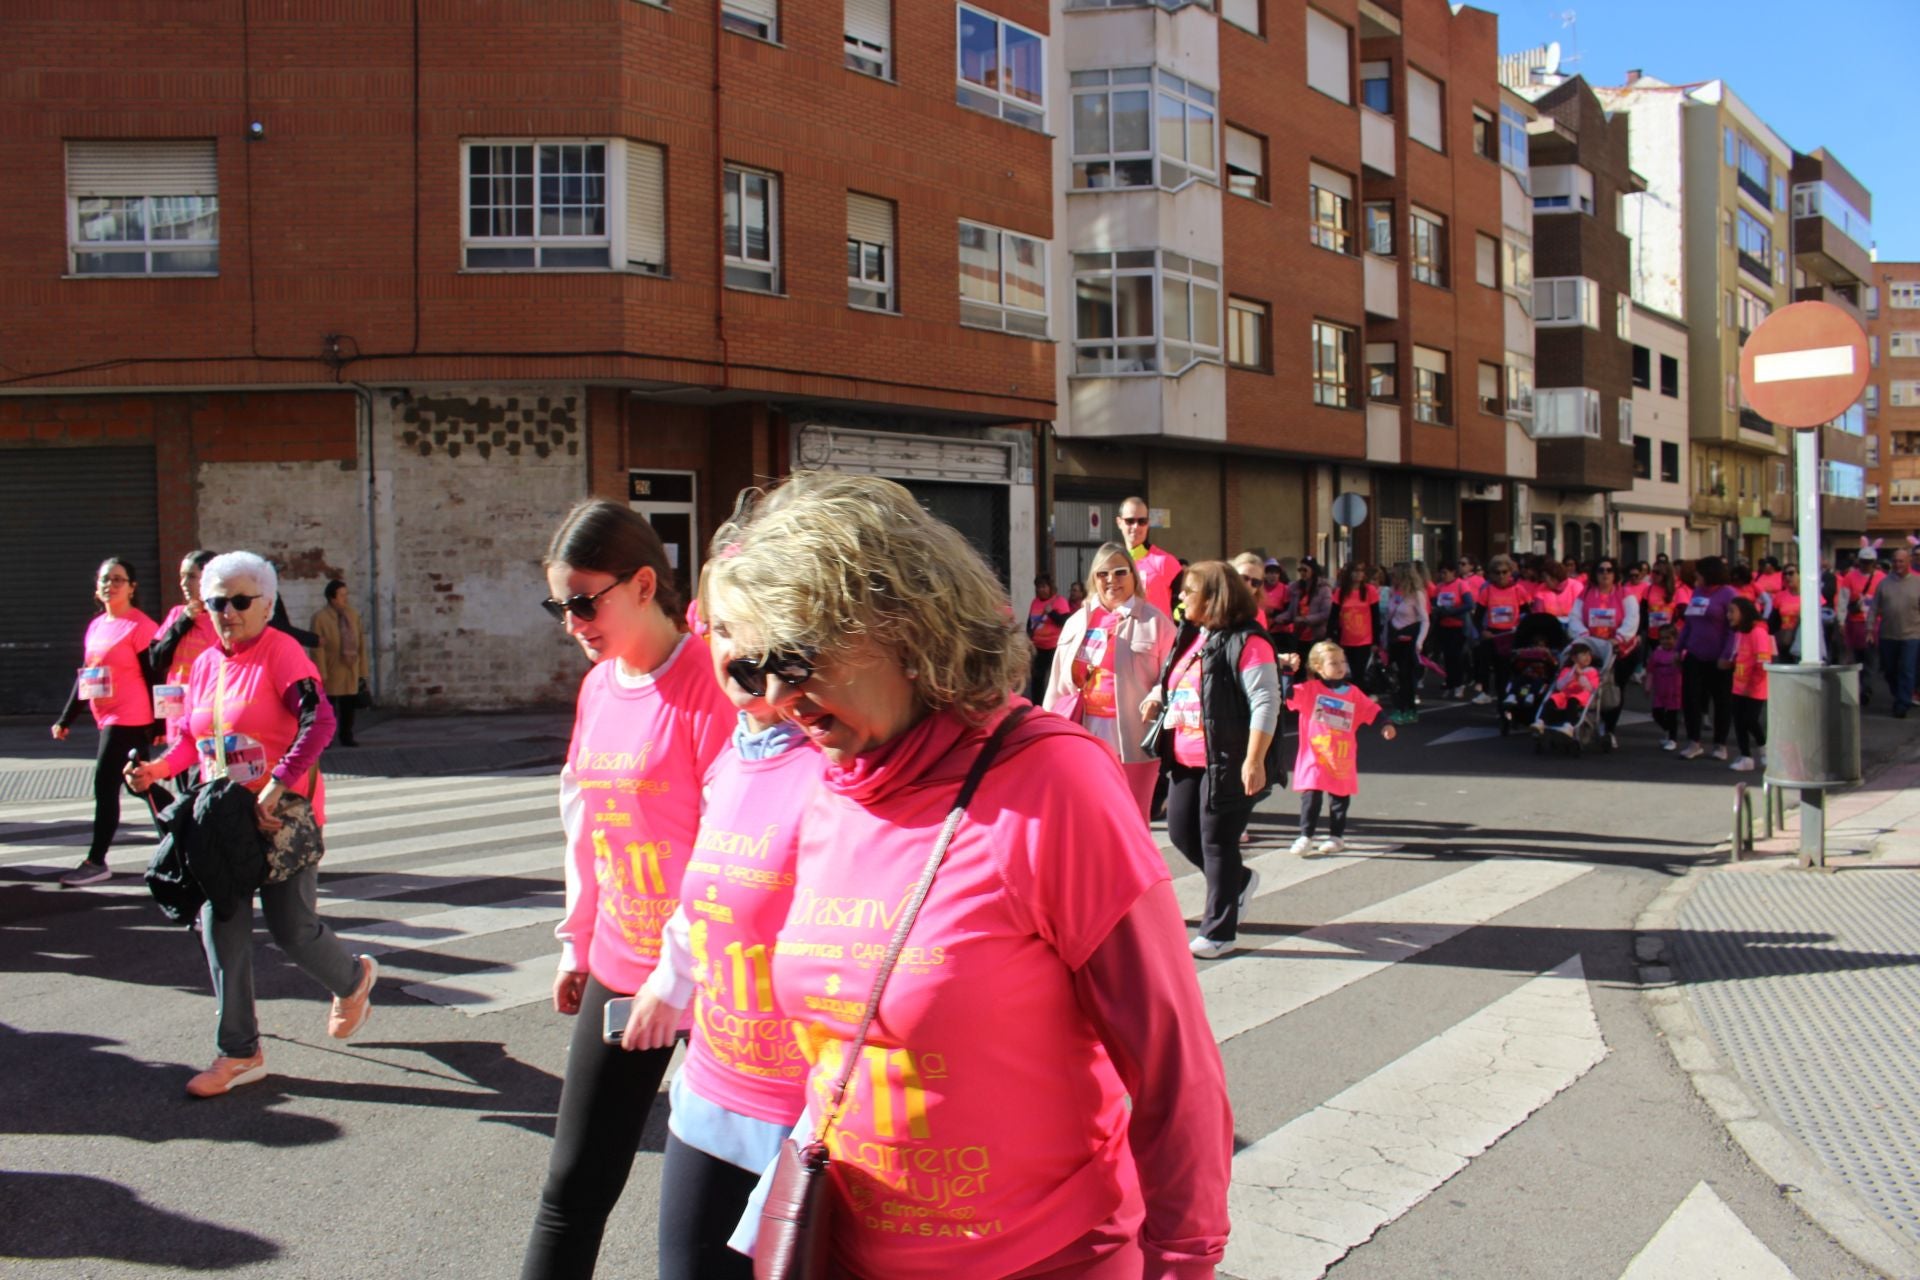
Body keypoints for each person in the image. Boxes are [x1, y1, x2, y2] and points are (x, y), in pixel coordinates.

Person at [709, 472, 1233, 1278]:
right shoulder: (825, 783)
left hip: (1045, 1259)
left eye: (795, 659)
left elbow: (1174, 1066)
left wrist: (1183, 1264)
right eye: (751, 672)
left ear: (902, 625)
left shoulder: (1051, 786)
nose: (779, 699)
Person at [523, 500, 734, 1280]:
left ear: (644, 583)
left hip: (718, 979)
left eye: (585, 601)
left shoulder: (714, 682)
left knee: (722, 1216)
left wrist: (679, 976)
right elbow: (585, 827)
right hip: (622, 961)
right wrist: (577, 943)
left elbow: (731, 849)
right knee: (572, 1187)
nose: (571, 621)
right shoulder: (600, 689)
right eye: (560, 605)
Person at [623, 567, 826, 1280]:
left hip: (801, 1114)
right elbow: (705, 900)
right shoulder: (731, 760)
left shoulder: (834, 770)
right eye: (726, 626)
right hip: (711, 1088)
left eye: (763, 628)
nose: (741, 650)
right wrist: (667, 983)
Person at [125, 551, 375, 1097]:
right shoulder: (207, 664)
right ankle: (239, 1052)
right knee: (222, 931)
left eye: (241, 601)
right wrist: (156, 769)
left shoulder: (281, 654)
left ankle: (353, 979)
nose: (228, 612)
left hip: (279, 819)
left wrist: (277, 783)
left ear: (266, 604)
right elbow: (194, 740)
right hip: (222, 826)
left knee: (292, 931)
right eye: (218, 602)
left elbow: (321, 720)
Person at [1143, 561, 1283, 959]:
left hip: (1228, 758)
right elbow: (1175, 679)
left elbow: (1265, 702)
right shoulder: (1193, 635)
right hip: (1185, 757)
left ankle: (1220, 930)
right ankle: (1238, 883)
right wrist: (1157, 694)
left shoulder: (1249, 642)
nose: (1181, 597)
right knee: (1181, 834)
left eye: (1189, 591)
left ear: (1214, 597)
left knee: (1218, 841)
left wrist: (1254, 760)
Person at [51, 557, 162, 887]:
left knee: (105, 784)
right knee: (141, 784)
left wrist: (159, 725)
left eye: (118, 579)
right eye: (105, 580)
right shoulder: (97, 625)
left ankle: (96, 860)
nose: (110, 585)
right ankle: (182, 838)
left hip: (130, 717)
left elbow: (155, 676)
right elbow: (88, 676)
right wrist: (66, 717)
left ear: (132, 587)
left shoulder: (140, 626)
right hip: (107, 717)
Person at [1044, 542, 1175, 820]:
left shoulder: (1155, 621)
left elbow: (1174, 677)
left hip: (1134, 737)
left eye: (1119, 572)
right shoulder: (1078, 621)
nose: (1111, 580)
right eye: (1103, 574)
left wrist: (1156, 696)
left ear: (1133, 576)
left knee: (1132, 818)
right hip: (1083, 732)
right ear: (1094, 578)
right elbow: (1057, 682)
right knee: (1088, 817)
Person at [1286, 640, 1396, 855]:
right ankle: (1305, 835)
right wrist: (1288, 671)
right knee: (1311, 795)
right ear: (1318, 667)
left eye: (1342, 662)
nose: (1339, 666)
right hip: (1315, 755)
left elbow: (1371, 709)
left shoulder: (1353, 693)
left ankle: (1336, 836)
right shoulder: (1310, 690)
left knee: (1339, 798)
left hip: (1341, 755)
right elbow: (1287, 694)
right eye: (1333, 663)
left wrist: (1386, 724)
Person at [149, 551, 222, 746]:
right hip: (177, 714)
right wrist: (183, 621)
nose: (183, 583)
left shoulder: (223, 619)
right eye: (181, 576)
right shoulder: (177, 615)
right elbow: (156, 660)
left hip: (210, 715)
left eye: (191, 576)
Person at [1568, 557, 1640, 748]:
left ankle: (1609, 729)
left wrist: (1619, 638)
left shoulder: (1626, 594)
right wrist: (1583, 636)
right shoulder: (1585, 594)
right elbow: (1574, 617)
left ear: (1615, 574)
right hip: (1592, 648)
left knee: (1614, 689)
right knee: (1588, 685)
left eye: (1609, 570)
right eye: (1601, 570)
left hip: (1619, 650)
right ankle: (1586, 721)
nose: (1605, 574)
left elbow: (1632, 620)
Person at [1676, 555, 1738, 761]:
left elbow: (1733, 629)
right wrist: (1678, 648)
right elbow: (1689, 623)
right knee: (1691, 699)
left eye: (1699, 572)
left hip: (1719, 658)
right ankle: (1694, 742)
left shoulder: (1728, 594)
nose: (1696, 575)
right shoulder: (1697, 592)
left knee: (1721, 701)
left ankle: (1720, 744)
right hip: (1694, 654)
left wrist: (1727, 655)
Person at [311, 579, 369, 747]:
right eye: (342, 595)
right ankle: (327, 738)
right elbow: (317, 648)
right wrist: (321, 672)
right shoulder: (320, 618)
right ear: (332, 598)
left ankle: (347, 735)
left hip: (350, 668)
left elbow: (361, 644)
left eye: (346, 594)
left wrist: (362, 671)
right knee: (329, 708)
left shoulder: (352, 615)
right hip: (331, 668)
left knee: (349, 706)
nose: (345, 598)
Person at [1870, 546, 1920, 718]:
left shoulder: (1917, 583)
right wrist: (1869, 629)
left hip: (1912, 635)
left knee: (1907, 669)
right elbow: (1874, 607)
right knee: (1890, 670)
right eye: (1895, 561)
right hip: (1888, 634)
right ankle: (1899, 693)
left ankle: (1902, 703)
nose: (1898, 564)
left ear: (1908, 562)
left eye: (1901, 561)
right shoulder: (1884, 583)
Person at [1471, 556, 1526, 706]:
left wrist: (1520, 628)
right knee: (1486, 664)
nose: (1501, 576)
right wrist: (1482, 631)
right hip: (1493, 635)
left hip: (1511, 635)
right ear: (1491, 574)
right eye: (1497, 572)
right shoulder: (1487, 590)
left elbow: (1527, 613)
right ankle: (1487, 692)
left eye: (1504, 572)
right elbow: (1477, 617)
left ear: (1510, 573)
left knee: (1506, 673)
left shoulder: (1518, 590)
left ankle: (1507, 703)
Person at [1727, 596, 1774, 771]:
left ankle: (1764, 750)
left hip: (1754, 688)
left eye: (1732, 611)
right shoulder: (1740, 632)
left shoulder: (1758, 633)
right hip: (1738, 685)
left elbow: (1762, 663)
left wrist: (1751, 685)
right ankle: (1745, 756)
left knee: (1750, 720)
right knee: (1739, 721)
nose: (1729, 615)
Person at [1117, 494, 1183, 618]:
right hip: (1123, 634)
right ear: (1119, 522)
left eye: (1142, 521)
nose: (1136, 526)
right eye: (1130, 521)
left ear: (1148, 523)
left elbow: (1184, 604)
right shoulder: (1113, 562)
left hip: (1157, 635)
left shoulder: (1165, 561)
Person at [1382, 565, 1430, 724]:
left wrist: (1419, 641)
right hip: (1394, 638)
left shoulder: (1416, 594)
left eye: (1395, 576)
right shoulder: (1392, 592)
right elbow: (1389, 618)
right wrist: (1384, 639)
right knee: (1395, 676)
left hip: (1409, 640)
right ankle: (1403, 708)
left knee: (1406, 676)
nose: (1393, 579)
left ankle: (1406, 709)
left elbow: (1425, 620)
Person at [1427, 562, 1475, 697]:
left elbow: (1469, 604)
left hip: (1458, 626)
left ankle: (1459, 683)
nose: (1443, 576)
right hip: (1444, 626)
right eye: (1441, 573)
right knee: (1447, 656)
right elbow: (1434, 602)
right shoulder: (1440, 587)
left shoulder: (1461, 584)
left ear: (1453, 572)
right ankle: (1450, 682)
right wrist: (1438, 610)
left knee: (1457, 656)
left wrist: (1453, 611)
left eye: (1445, 573)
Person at [1535, 641, 1601, 737]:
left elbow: (1590, 688)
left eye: (1589, 655)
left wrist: (1581, 675)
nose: (1587, 657)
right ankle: (1541, 721)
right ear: (1574, 658)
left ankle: (1569, 725)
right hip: (1566, 694)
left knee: (1573, 700)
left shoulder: (1592, 671)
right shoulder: (1567, 670)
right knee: (1553, 699)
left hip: (1582, 695)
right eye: (1583, 655)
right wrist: (1572, 674)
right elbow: (1560, 686)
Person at [1025, 574, 1072, 703]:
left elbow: (1065, 622)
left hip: (1054, 648)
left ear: (1050, 587)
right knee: (1037, 679)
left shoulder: (1059, 601)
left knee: (1056, 679)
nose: (1041, 589)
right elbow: (1030, 622)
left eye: (1044, 586)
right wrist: (1028, 637)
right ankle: (1037, 705)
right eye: (1039, 587)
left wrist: (1051, 612)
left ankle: (1058, 704)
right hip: (1038, 647)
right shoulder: (1034, 602)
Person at [1333, 563, 1379, 689]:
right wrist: (1330, 635)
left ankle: (1361, 702)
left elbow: (1376, 616)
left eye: (1361, 571)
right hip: (1346, 639)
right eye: (1355, 571)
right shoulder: (1340, 592)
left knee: (1359, 672)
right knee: (1349, 673)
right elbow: (1334, 615)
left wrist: (1376, 641)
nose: (1358, 574)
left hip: (1364, 639)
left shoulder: (1370, 590)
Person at [1646, 628, 1684, 751]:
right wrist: (1648, 685)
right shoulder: (1656, 653)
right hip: (1660, 689)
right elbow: (1651, 670)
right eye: (1662, 638)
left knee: (1672, 715)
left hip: (1674, 689)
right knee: (1657, 713)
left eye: (1668, 638)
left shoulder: (1679, 653)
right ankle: (1668, 731)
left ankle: (1673, 739)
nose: (1665, 641)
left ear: (1675, 639)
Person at [1287, 557, 1333, 646]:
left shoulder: (1324, 589)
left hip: (1316, 636)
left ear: (1313, 571)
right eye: (1300, 570)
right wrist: (1279, 618)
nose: (1302, 573)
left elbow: (1326, 613)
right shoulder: (1296, 588)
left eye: (1305, 570)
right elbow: (1291, 612)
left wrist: (1305, 619)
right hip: (1299, 636)